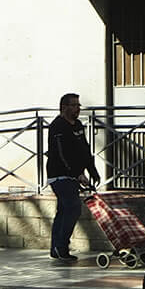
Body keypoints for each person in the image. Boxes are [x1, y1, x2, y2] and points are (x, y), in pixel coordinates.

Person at [46, 93, 101, 262]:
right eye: (74, 105)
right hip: (60, 175)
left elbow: (84, 149)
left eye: (78, 105)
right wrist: (77, 173)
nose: (78, 108)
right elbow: (63, 154)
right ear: (64, 107)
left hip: (73, 175)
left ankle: (57, 249)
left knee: (64, 210)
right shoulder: (58, 126)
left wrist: (92, 170)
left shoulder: (77, 125)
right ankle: (61, 247)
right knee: (73, 208)